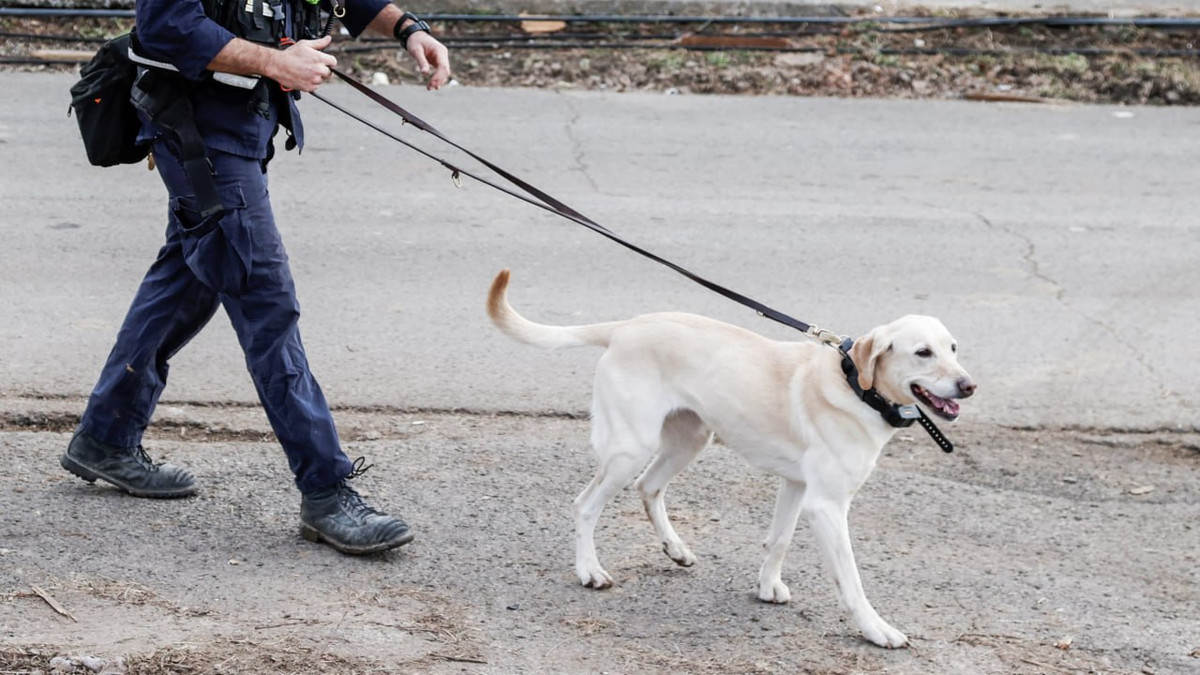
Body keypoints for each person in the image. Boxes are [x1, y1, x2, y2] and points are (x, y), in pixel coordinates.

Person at [60, 0, 450, 555]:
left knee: (189, 278)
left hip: (243, 128)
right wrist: (273, 62)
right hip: (198, 132)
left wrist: (408, 29)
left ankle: (105, 436)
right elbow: (166, 23)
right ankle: (326, 489)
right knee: (268, 305)